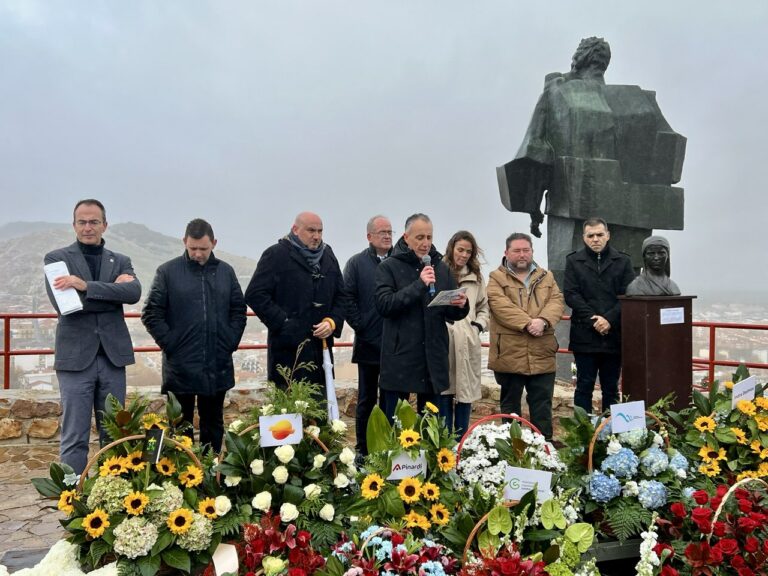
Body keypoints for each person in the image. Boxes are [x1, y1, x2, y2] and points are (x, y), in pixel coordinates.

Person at [44, 199, 141, 473]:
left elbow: (133, 294)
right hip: (75, 360)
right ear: (74, 225)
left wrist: (84, 285)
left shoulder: (121, 260)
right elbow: (68, 306)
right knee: (75, 436)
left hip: (112, 358)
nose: (88, 227)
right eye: (82, 222)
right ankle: (73, 498)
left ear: (105, 225)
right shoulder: (56, 259)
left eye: (94, 222)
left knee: (115, 433)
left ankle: (114, 495)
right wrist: (112, 293)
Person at [141, 219, 247, 452]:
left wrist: (229, 342)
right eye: (193, 248)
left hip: (217, 363)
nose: (198, 254)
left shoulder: (225, 272)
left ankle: (210, 476)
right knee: (179, 427)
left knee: (213, 425)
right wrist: (172, 345)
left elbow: (238, 311)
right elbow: (151, 314)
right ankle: (183, 479)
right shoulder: (167, 272)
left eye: (203, 249)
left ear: (214, 244)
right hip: (180, 366)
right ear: (184, 243)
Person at [375, 213, 469, 421]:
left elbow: (450, 311)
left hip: (432, 356)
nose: (425, 243)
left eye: (429, 237)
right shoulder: (389, 266)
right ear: (406, 237)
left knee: (431, 426)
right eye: (419, 238)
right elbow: (385, 305)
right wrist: (419, 285)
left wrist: (460, 305)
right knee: (397, 425)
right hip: (402, 357)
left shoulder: (441, 267)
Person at [245, 212, 345, 388]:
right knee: (288, 412)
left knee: (320, 410)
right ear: (295, 229)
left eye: (320, 231)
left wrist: (332, 322)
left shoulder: (328, 255)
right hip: (287, 352)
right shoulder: (276, 255)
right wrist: (284, 322)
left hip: (321, 351)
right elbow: (255, 294)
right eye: (311, 230)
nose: (316, 236)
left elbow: (342, 296)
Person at [487, 232, 564, 440]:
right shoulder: (496, 278)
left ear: (532, 251)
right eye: (517, 250)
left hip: (542, 351)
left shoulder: (546, 277)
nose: (522, 255)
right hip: (510, 353)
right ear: (506, 252)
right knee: (510, 406)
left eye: (526, 250)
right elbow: (499, 305)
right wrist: (528, 323)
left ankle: (544, 447)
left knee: (542, 404)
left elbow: (556, 301)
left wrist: (543, 321)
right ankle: (513, 449)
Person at [564, 217, 635, 414]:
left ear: (608, 235)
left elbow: (628, 295)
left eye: (599, 235)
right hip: (584, 336)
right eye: (591, 235)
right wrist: (594, 319)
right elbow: (571, 294)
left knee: (611, 390)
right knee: (583, 387)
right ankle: (582, 435)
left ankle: (610, 437)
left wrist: (609, 319)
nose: (595, 239)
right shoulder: (573, 261)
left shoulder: (623, 261)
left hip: (613, 336)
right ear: (584, 238)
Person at [343, 215, 393, 456]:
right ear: (369, 236)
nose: (387, 236)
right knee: (366, 400)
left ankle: (387, 447)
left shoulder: (400, 260)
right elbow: (347, 297)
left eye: (390, 232)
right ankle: (363, 449)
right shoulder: (356, 263)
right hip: (368, 344)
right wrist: (361, 325)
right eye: (382, 232)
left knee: (391, 400)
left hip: (396, 344)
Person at [439, 231, 489, 438]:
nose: (464, 255)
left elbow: (484, 307)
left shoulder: (476, 277)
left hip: (467, 343)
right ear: (451, 248)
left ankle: (461, 445)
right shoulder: (438, 271)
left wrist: (477, 327)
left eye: (469, 251)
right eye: (460, 249)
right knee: (443, 395)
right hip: (443, 341)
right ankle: (442, 448)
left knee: (465, 396)